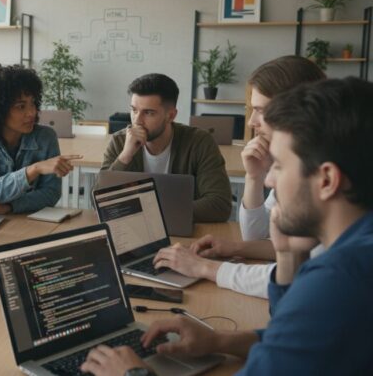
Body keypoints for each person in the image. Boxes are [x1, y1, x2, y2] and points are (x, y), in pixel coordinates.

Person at [80, 77, 373, 376]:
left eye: (280, 166)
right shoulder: (352, 255)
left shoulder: (339, 280)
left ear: (326, 180)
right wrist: (221, 339)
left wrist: (133, 374)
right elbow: (294, 339)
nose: (269, 180)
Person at [152, 56, 326, 298]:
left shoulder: (321, 173)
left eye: (260, 110)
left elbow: (305, 278)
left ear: (298, 112)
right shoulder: (299, 160)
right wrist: (255, 177)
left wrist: (204, 267)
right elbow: (265, 237)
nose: (251, 122)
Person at [101, 73, 231, 222]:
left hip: (183, 233)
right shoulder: (120, 141)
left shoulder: (199, 142)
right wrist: (125, 156)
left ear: (170, 116)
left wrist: (149, 212)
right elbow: (98, 201)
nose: (137, 120)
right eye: (134, 110)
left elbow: (220, 205)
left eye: (148, 113)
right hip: (134, 231)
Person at [0, 64, 81, 214]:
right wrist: (34, 169)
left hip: (31, 222)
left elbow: (51, 193)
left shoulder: (45, 137)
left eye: (33, 103)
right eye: (21, 107)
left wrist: (9, 207)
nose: (31, 113)